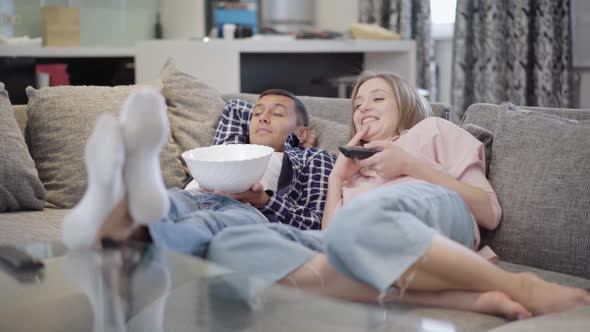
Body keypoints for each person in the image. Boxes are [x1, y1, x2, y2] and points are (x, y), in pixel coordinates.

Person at [197, 72, 590, 318]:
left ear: (404, 104)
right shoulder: (349, 167)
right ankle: (461, 299)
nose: (364, 107)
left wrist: (411, 165)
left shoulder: (432, 131)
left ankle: (520, 286)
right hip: (361, 237)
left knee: (362, 220)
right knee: (230, 244)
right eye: (358, 103)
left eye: (377, 98)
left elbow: (488, 213)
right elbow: (334, 240)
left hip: (434, 210)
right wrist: (338, 180)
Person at [62, 88, 334, 257]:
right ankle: (123, 205)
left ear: (303, 131)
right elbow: (234, 108)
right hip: (191, 193)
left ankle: (122, 224)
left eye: (277, 114)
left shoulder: (312, 158)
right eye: (257, 113)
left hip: (248, 211)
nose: (262, 117)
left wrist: (265, 200)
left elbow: (314, 223)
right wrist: (264, 119)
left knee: (205, 225)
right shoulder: (231, 147)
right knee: (167, 203)